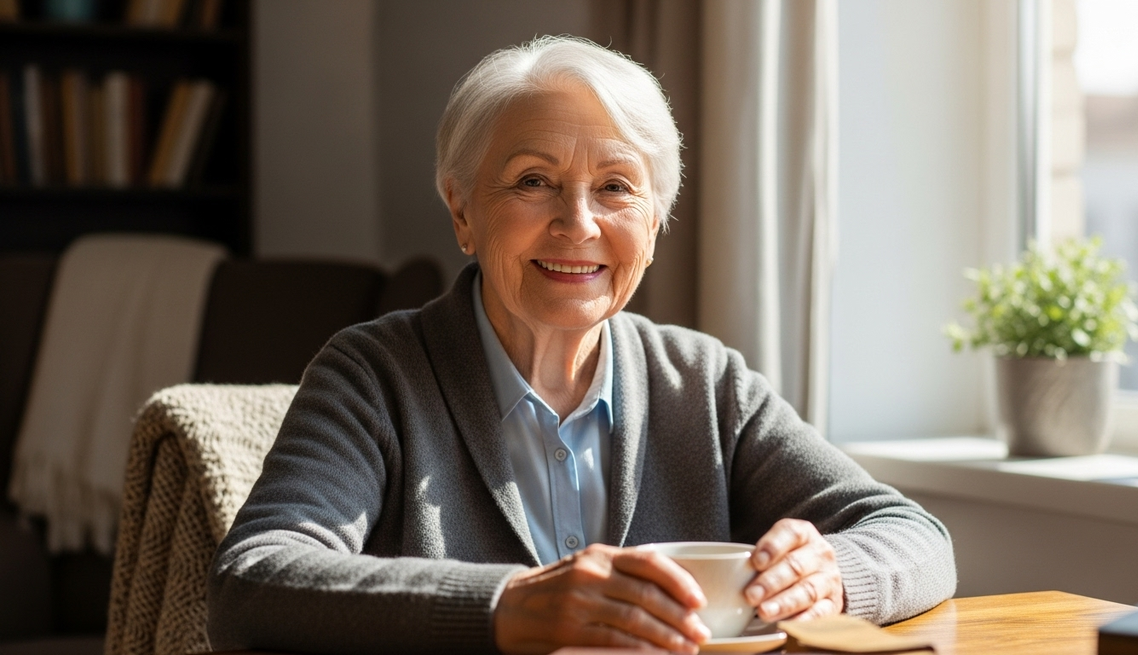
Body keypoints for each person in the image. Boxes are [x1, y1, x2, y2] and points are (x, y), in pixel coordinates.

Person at [207, 35, 956, 655]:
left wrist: (832, 573)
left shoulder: (704, 381)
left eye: (617, 188)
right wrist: (510, 605)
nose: (579, 223)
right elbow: (254, 582)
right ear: (462, 210)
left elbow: (916, 536)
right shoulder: (372, 374)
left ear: (656, 222)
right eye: (533, 180)